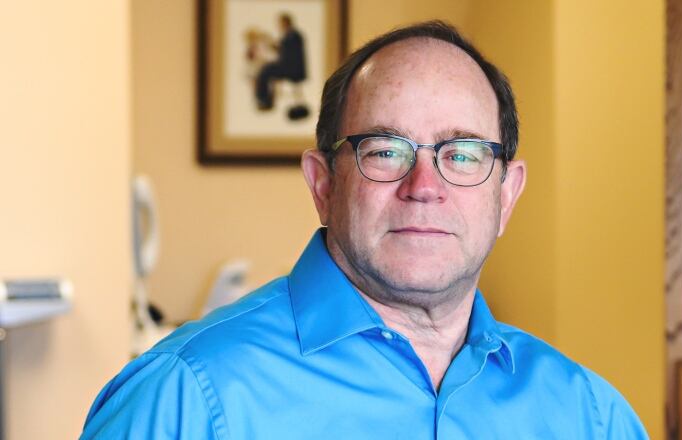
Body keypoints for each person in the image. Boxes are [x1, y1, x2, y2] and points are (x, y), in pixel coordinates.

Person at [81, 22, 649, 439]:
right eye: (385, 150)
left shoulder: (591, 417)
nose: (424, 185)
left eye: (465, 154)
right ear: (322, 184)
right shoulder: (185, 398)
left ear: (506, 194)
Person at [255, 13, 306, 110]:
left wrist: (270, 42)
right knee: (266, 69)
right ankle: (266, 99)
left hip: (291, 68)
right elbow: (282, 50)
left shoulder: (293, 35)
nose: (279, 26)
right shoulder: (290, 35)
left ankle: (264, 100)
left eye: (280, 23)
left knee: (265, 71)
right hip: (289, 66)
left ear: (285, 23)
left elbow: (285, 52)